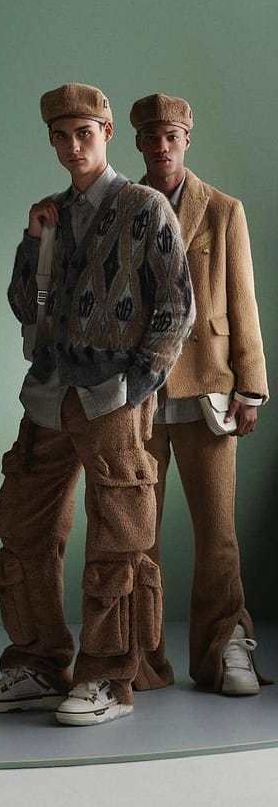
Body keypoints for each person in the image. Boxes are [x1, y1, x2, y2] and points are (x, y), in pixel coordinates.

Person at [0, 83, 195, 726]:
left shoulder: (146, 206)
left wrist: (138, 384)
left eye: (85, 134)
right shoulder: (52, 215)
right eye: (61, 137)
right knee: (23, 529)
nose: (73, 147)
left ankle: (106, 679)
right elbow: (27, 307)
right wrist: (32, 240)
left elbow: (177, 306)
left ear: (106, 133)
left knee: (119, 537)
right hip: (49, 394)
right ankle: (38, 666)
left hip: (112, 396)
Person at [129, 92, 269, 696]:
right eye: (151, 137)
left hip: (210, 386)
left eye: (172, 137)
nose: (162, 147)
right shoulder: (122, 206)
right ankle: (137, 656)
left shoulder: (222, 209)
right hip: (138, 390)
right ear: (137, 142)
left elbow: (242, 299)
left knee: (218, 533)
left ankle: (224, 645)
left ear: (187, 139)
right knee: (137, 532)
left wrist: (251, 386)